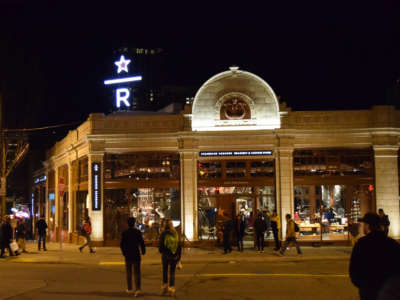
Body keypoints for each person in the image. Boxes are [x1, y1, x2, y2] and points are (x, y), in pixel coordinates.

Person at [349, 212, 400, 300]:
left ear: (368, 226)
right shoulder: (392, 243)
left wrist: (362, 285)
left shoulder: (362, 244)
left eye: (364, 224)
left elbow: (354, 268)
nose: (363, 227)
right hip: (389, 290)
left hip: (368, 290)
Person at [120, 217, 146, 297]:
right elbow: (142, 242)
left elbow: (122, 244)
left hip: (128, 254)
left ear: (128, 224)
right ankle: (138, 289)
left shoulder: (125, 233)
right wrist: (143, 251)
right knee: (137, 272)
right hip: (136, 254)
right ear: (134, 223)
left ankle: (129, 288)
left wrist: (124, 252)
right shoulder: (137, 232)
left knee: (129, 272)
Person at [159, 219, 182, 297]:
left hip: (165, 255)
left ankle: (164, 287)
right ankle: (171, 289)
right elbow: (179, 246)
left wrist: (162, 251)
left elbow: (160, 247)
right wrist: (178, 257)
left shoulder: (163, 234)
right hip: (174, 255)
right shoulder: (175, 233)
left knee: (165, 271)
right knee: (172, 273)